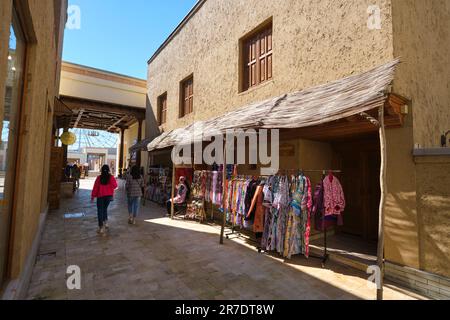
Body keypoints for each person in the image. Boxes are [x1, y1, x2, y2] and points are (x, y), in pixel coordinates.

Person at [91, 165, 118, 235]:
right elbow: (115, 186)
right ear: (108, 170)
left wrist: (93, 196)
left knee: (100, 211)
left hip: (100, 196)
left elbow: (95, 188)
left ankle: (101, 228)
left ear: (101, 170)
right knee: (105, 208)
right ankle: (106, 222)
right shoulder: (111, 177)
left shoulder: (99, 178)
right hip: (108, 197)